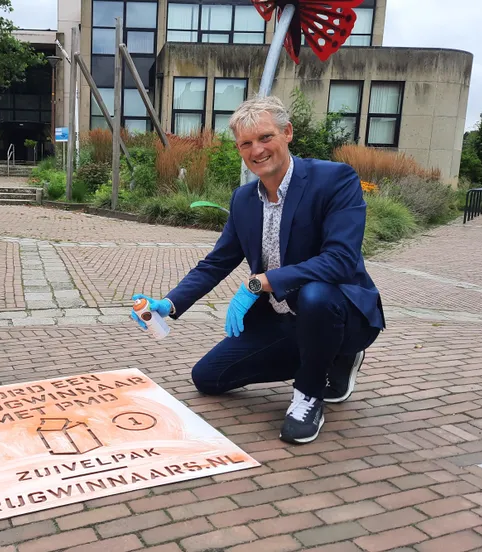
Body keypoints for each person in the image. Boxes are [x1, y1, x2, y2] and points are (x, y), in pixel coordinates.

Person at [131, 96, 384, 445]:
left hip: (338, 313)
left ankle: (309, 393)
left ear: (287, 132)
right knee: (208, 378)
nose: (257, 150)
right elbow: (218, 262)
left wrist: (261, 281)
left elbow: (340, 259)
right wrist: (169, 304)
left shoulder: (333, 179)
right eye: (246, 143)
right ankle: (325, 357)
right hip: (283, 318)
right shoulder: (244, 199)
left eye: (265, 137)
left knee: (315, 294)